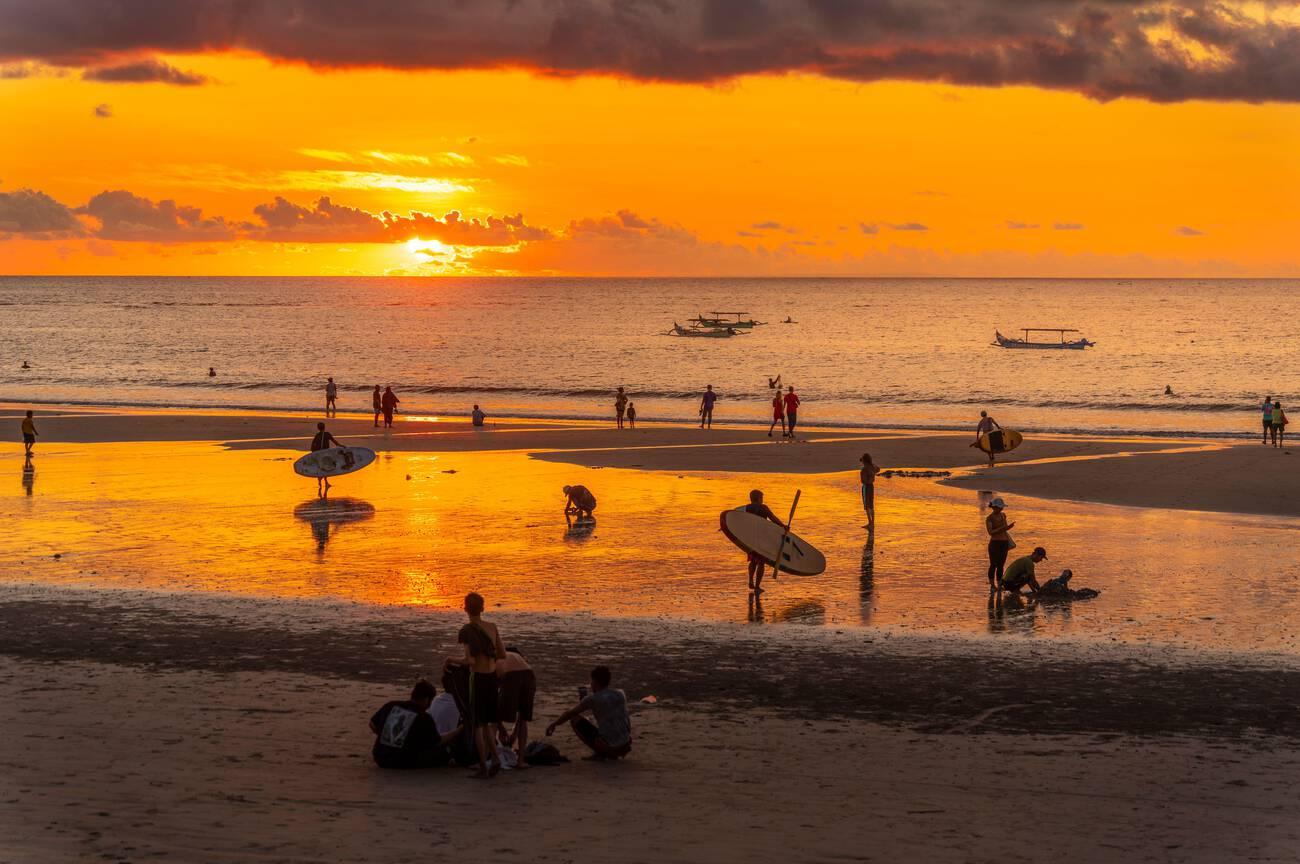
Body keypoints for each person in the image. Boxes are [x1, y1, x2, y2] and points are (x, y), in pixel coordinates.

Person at [444, 592, 507, 778]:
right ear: (483, 608)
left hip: (477, 679)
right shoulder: (492, 627)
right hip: (492, 679)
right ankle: (494, 757)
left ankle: (483, 765)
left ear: (465, 608)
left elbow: (470, 661)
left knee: (478, 725)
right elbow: (502, 654)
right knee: (488, 722)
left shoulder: (466, 630)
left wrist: (449, 659)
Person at [368, 680, 463, 769]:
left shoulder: (391, 705)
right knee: (446, 750)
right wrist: (457, 731)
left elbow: (372, 724)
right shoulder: (423, 717)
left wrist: (387, 736)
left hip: (380, 757)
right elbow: (437, 741)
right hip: (401, 761)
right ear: (427, 699)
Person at [545, 665, 631, 761]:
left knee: (574, 719)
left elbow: (569, 713)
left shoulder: (592, 699)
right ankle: (610, 749)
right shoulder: (620, 693)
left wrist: (554, 724)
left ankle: (600, 753)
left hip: (609, 747)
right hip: (626, 744)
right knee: (603, 722)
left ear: (595, 681)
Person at [496, 649, 536, 769]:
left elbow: (492, 706)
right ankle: (521, 761)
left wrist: (501, 729)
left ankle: (492, 758)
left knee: (492, 718)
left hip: (511, 675)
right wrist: (514, 732)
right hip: (530, 674)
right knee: (524, 717)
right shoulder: (520, 659)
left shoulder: (499, 658)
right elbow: (521, 716)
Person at [742, 489, 787, 594]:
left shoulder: (747, 508)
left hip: (750, 539)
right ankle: (757, 586)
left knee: (753, 561)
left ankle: (750, 581)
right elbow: (773, 518)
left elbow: (740, 521)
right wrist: (783, 526)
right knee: (761, 563)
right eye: (762, 498)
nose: (762, 500)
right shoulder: (763, 508)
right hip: (762, 539)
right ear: (758, 498)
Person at [985, 497, 1015, 590]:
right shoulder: (989, 518)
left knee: (1001, 565)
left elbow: (1005, 528)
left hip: (1004, 543)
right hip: (995, 543)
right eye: (1000, 507)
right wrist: (1004, 528)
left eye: (1002, 507)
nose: (1001, 509)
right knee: (993, 564)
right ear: (994, 507)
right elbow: (990, 532)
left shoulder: (1003, 515)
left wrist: (1006, 528)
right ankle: (992, 585)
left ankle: (999, 584)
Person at [859, 452, 880, 532]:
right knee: (871, 505)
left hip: (866, 487)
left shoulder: (864, 469)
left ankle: (870, 523)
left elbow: (862, 481)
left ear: (864, 461)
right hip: (871, 486)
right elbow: (878, 469)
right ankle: (872, 523)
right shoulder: (872, 467)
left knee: (866, 505)